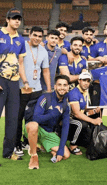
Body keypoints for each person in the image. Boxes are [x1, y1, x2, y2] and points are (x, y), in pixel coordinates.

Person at [15, 26, 51, 156]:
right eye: (34, 35)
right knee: (18, 118)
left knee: (32, 118)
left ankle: (27, 142)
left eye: (39, 36)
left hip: (37, 90)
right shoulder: (22, 46)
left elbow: (45, 70)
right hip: (22, 88)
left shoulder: (43, 51)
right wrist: (24, 81)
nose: (37, 38)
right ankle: (16, 144)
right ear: (29, 34)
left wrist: (48, 88)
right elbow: (18, 64)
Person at [25, 75, 71, 169]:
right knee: (34, 125)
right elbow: (35, 118)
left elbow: (66, 128)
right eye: (59, 85)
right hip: (34, 129)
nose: (62, 87)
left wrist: (61, 150)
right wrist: (53, 113)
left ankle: (39, 145)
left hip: (48, 133)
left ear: (68, 87)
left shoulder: (66, 105)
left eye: (65, 85)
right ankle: (34, 156)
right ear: (55, 86)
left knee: (66, 155)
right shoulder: (45, 98)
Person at [0, 7, 26, 160]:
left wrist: (25, 81)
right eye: (14, 18)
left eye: (19, 18)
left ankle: (8, 153)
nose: (17, 21)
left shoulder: (20, 39)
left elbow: (20, 63)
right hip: (1, 80)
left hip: (14, 83)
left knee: (12, 119)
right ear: (7, 20)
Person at [67, 72, 102, 153]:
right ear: (79, 81)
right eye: (84, 80)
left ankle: (81, 141)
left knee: (90, 143)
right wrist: (93, 121)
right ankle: (72, 145)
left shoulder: (85, 91)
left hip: (77, 118)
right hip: (67, 120)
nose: (86, 83)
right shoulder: (74, 93)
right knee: (82, 124)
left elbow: (82, 107)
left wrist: (93, 110)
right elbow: (76, 113)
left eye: (88, 81)